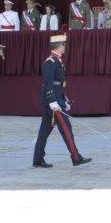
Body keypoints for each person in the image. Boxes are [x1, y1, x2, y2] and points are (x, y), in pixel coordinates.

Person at [33, 34, 91, 168]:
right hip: (53, 103)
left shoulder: (58, 60)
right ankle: (76, 158)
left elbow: (58, 84)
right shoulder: (50, 61)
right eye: (63, 44)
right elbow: (48, 83)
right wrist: (53, 101)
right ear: (58, 46)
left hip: (56, 100)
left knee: (44, 132)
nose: (65, 47)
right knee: (66, 129)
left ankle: (37, 160)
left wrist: (64, 100)